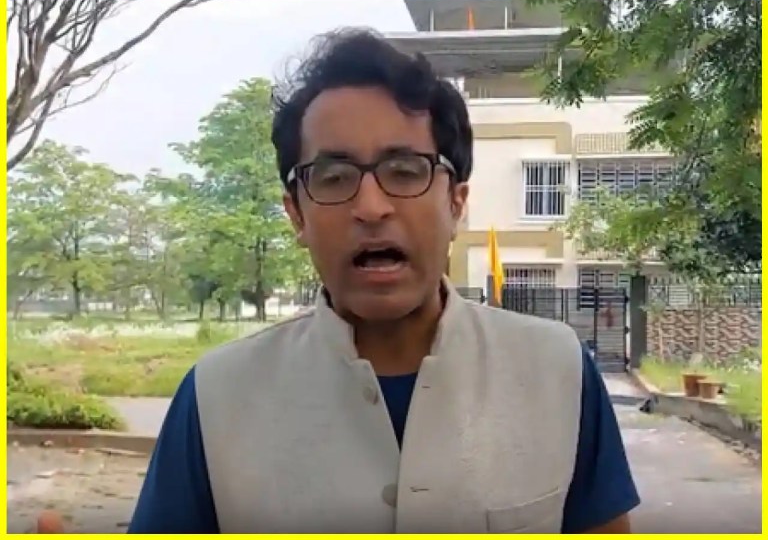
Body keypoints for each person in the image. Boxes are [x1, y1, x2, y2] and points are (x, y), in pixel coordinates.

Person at [40, 28, 640, 533]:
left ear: (456, 203)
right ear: (296, 214)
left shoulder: (558, 370)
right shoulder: (215, 396)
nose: (371, 206)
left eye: (405, 170)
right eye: (333, 177)